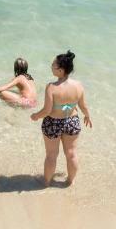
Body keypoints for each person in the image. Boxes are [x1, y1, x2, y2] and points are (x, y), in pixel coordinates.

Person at [31, 51, 92, 187]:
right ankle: (70, 181)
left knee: (51, 155)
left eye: (53, 64)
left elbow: (47, 110)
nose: (51, 66)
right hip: (72, 122)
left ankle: (46, 182)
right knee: (71, 153)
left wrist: (36, 115)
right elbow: (82, 105)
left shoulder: (51, 87)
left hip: (53, 123)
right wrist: (87, 115)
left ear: (60, 70)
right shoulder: (78, 85)